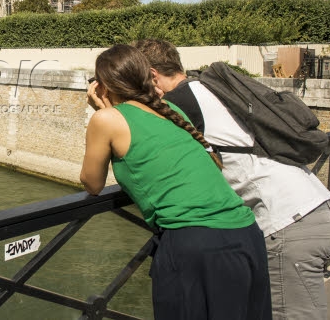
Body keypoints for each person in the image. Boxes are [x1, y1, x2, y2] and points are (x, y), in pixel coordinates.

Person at [134, 38, 330, 320]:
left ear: (152, 75)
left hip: (285, 221)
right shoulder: (209, 88)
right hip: (308, 207)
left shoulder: (179, 104)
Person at [81, 44, 271, 320]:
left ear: (103, 85)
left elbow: (92, 183)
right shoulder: (170, 109)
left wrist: (99, 112)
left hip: (194, 244)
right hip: (246, 234)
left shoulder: (106, 119)